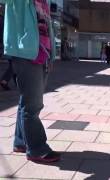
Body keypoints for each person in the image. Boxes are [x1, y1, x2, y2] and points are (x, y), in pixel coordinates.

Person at [0, 0, 60, 162]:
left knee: (26, 100)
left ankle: (21, 142)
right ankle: (37, 148)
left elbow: (46, 28)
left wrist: (51, 55)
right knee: (33, 105)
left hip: (42, 54)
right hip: (25, 53)